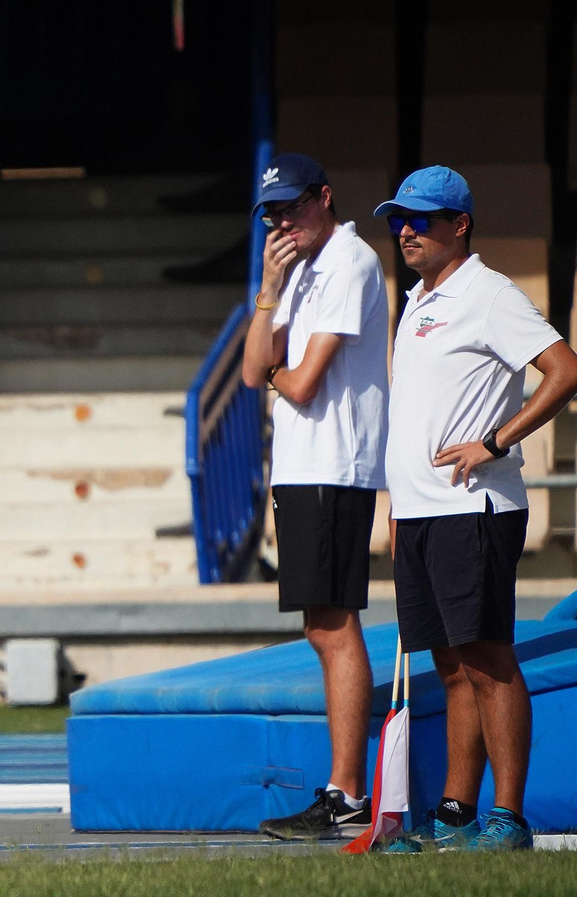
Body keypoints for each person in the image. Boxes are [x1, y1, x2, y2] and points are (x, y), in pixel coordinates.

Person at [377, 167, 577, 852]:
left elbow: (565, 368)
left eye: (422, 219)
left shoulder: (488, 293)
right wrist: (402, 505)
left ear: (459, 223)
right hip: (422, 511)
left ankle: (508, 817)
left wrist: (494, 441)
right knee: (452, 663)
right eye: (399, 219)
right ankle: (458, 811)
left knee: (489, 658)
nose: (407, 230)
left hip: (475, 506)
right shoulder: (418, 299)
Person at [241, 153, 389, 841]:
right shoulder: (298, 272)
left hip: (334, 462)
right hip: (303, 466)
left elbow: (299, 385)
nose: (283, 223)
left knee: (334, 622)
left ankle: (347, 791)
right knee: (319, 623)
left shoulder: (350, 260)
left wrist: (278, 365)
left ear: (324, 198)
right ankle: (342, 789)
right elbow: (254, 371)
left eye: (293, 208)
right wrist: (269, 286)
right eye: (273, 213)